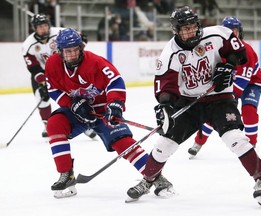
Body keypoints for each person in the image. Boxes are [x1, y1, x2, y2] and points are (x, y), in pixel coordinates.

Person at [127, 6, 261, 207]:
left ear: (197, 25)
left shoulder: (217, 34)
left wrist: (229, 65)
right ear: (176, 31)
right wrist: (166, 106)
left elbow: (239, 52)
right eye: (183, 29)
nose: (189, 32)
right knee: (164, 144)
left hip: (220, 99)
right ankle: (149, 179)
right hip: (189, 103)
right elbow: (165, 85)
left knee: (236, 139)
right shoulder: (170, 52)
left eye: (192, 27)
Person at [44, 28, 172, 198]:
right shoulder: (52, 64)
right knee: (54, 124)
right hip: (77, 110)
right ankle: (66, 174)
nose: (73, 55)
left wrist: (116, 104)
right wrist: (71, 104)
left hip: (103, 109)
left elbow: (115, 81)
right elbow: (52, 89)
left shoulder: (95, 62)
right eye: (68, 51)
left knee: (123, 142)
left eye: (76, 50)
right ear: (60, 52)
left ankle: (156, 177)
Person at [188, 16, 261, 158]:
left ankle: (252, 145)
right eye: (228, 31)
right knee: (213, 112)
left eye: (235, 31)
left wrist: (228, 99)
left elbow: (243, 80)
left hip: (251, 84)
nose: (232, 34)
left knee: (248, 111)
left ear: (240, 32)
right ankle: (198, 143)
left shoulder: (246, 51)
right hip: (231, 83)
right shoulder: (217, 49)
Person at [22, 14, 97, 139]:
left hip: (66, 70)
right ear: (34, 28)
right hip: (44, 74)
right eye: (40, 26)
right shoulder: (28, 44)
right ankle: (47, 124)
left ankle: (83, 123)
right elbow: (33, 68)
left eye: (45, 25)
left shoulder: (60, 33)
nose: (43, 29)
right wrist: (44, 82)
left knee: (73, 96)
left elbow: (82, 38)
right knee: (41, 95)